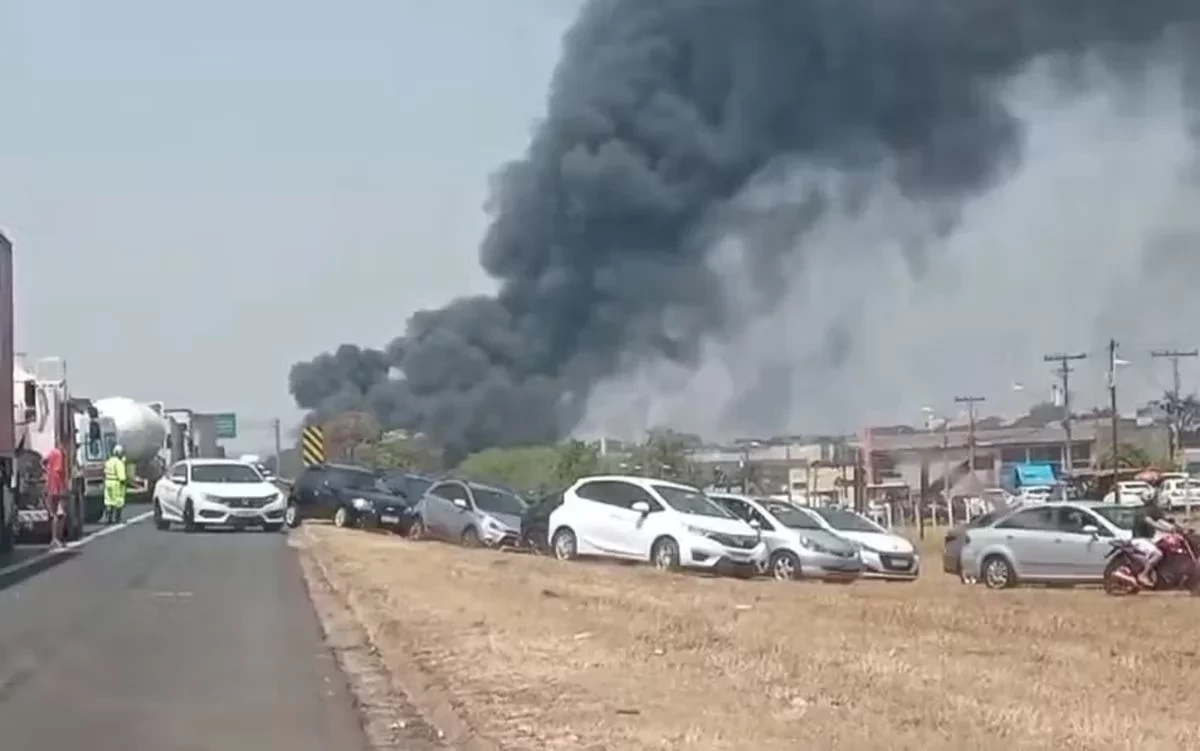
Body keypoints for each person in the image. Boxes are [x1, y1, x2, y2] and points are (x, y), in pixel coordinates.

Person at [1130, 493, 1175, 587]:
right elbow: (1152, 523)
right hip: (1139, 540)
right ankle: (1143, 574)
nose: (1157, 502)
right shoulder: (1143, 512)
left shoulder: (1152, 511)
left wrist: (1177, 528)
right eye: (1155, 500)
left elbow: (1161, 521)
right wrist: (1166, 530)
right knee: (1158, 554)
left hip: (1148, 540)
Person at [43, 443, 68, 549]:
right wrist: (63, 488)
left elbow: (43, 461)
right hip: (56, 488)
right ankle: (57, 539)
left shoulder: (52, 452)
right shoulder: (59, 454)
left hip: (50, 487)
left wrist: (47, 471)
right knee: (59, 514)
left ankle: (56, 539)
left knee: (55, 514)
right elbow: (60, 471)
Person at [103, 445, 128, 524]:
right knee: (118, 501)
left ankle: (108, 518)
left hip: (108, 482)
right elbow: (122, 476)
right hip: (116, 483)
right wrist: (124, 484)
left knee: (109, 501)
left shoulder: (109, 461)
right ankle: (117, 518)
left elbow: (105, 472)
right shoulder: (118, 463)